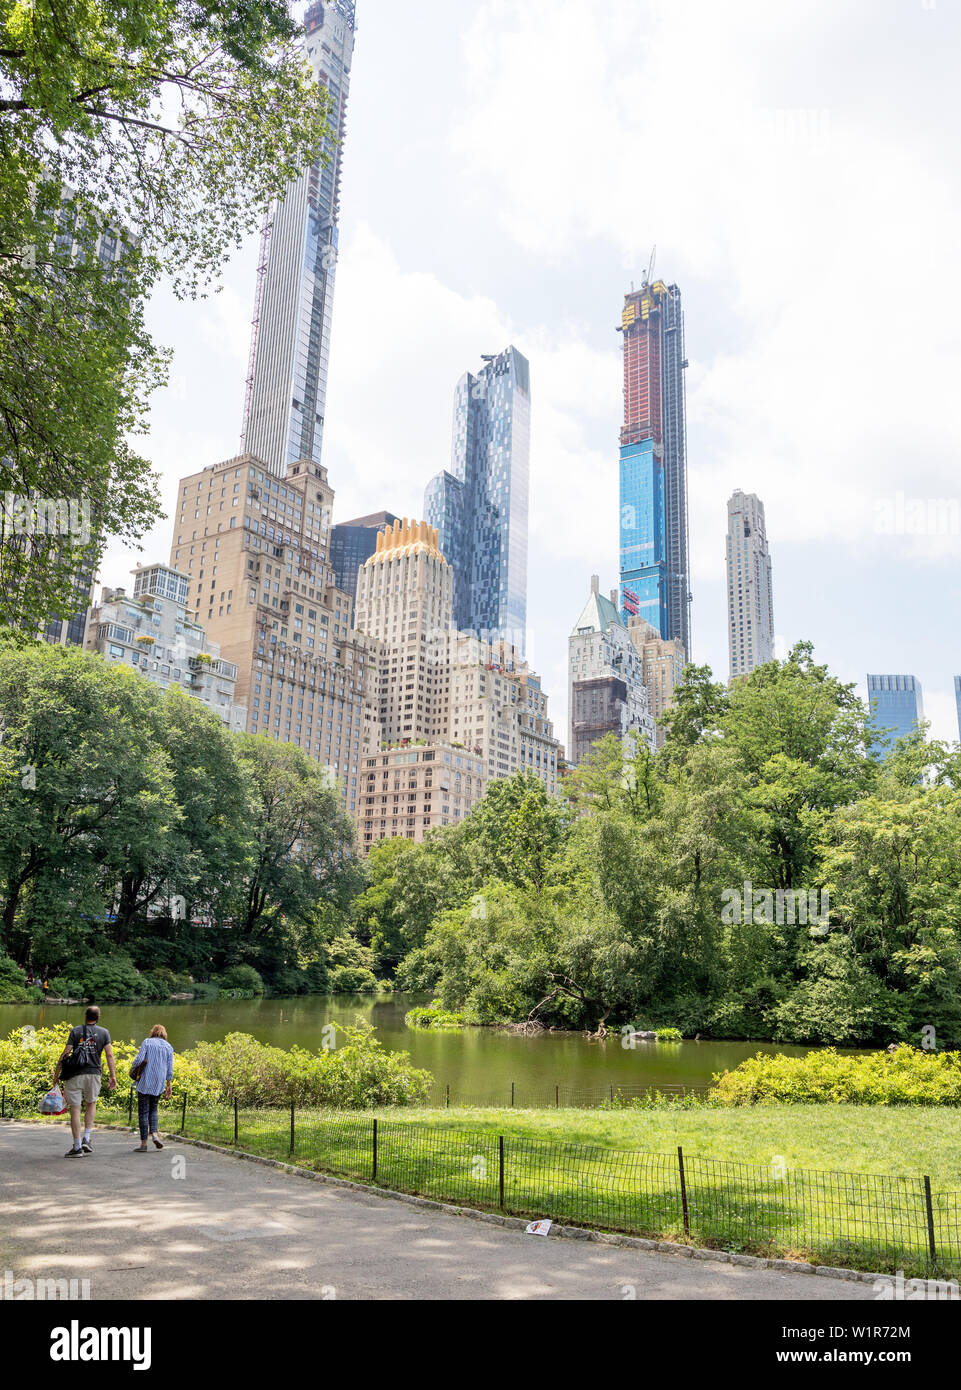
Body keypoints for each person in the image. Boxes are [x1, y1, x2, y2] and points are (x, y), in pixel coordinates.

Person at [52, 1005, 117, 1157]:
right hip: (94, 1074)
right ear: (98, 1017)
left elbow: (65, 1053)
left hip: (74, 1074)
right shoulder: (104, 1033)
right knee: (91, 1103)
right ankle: (87, 1138)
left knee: (75, 1109)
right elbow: (109, 1055)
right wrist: (112, 1075)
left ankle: (77, 1147)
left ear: (85, 1016)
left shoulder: (75, 1031)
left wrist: (56, 1075)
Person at [130, 1024, 174, 1153]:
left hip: (145, 1080)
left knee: (143, 1111)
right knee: (153, 1110)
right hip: (159, 1083)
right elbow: (169, 1069)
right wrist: (168, 1085)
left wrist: (133, 1068)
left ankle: (144, 1144)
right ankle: (155, 1134)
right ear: (164, 1034)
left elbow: (139, 1059)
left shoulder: (147, 1042)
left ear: (153, 1032)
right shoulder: (168, 1047)